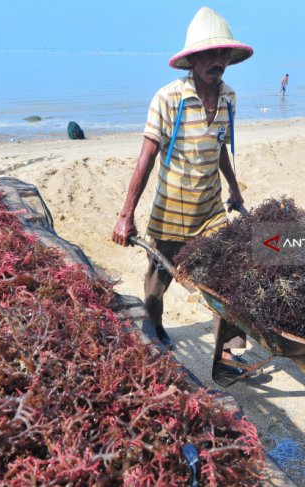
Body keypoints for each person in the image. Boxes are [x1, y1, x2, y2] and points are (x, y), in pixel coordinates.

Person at [112, 7, 250, 363]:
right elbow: (145, 159)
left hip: (210, 209)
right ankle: (154, 326)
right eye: (209, 53)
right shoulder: (168, 99)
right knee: (158, 283)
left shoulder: (229, 98)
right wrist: (125, 215)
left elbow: (219, 146)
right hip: (171, 208)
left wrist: (233, 186)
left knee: (230, 275)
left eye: (223, 53)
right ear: (192, 59)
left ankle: (228, 349)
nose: (217, 60)